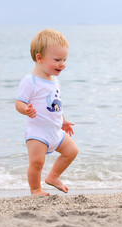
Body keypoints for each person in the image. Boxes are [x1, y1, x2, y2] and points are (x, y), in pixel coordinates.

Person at [15, 29, 78, 196]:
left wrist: (63, 120)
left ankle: (53, 176)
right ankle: (35, 189)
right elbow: (18, 102)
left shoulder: (54, 80)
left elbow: (55, 104)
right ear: (39, 58)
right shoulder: (30, 81)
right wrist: (25, 109)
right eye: (57, 60)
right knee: (37, 162)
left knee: (71, 151)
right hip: (38, 133)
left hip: (55, 130)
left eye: (64, 59)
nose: (62, 64)